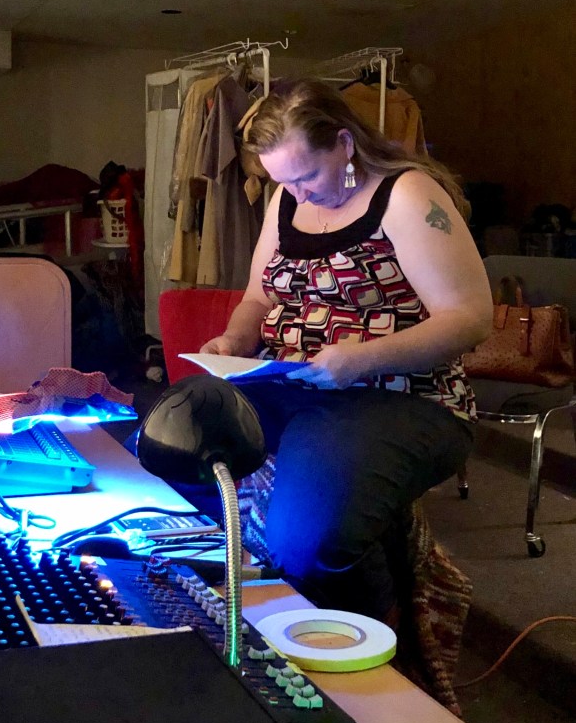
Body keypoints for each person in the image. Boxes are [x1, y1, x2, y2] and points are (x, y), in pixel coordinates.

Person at [200, 79, 493, 627]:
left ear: (344, 143)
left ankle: (379, 633)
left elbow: (471, 318)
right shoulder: (289, 198)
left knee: (309, 541)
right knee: (173, 441)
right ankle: (231, 611)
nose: (298, 193)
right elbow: (259, 296)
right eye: (284, 181)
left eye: (307, 176)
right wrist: (236, 340)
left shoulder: (407, 195)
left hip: (397, 395)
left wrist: (362, 358)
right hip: (293, 382)